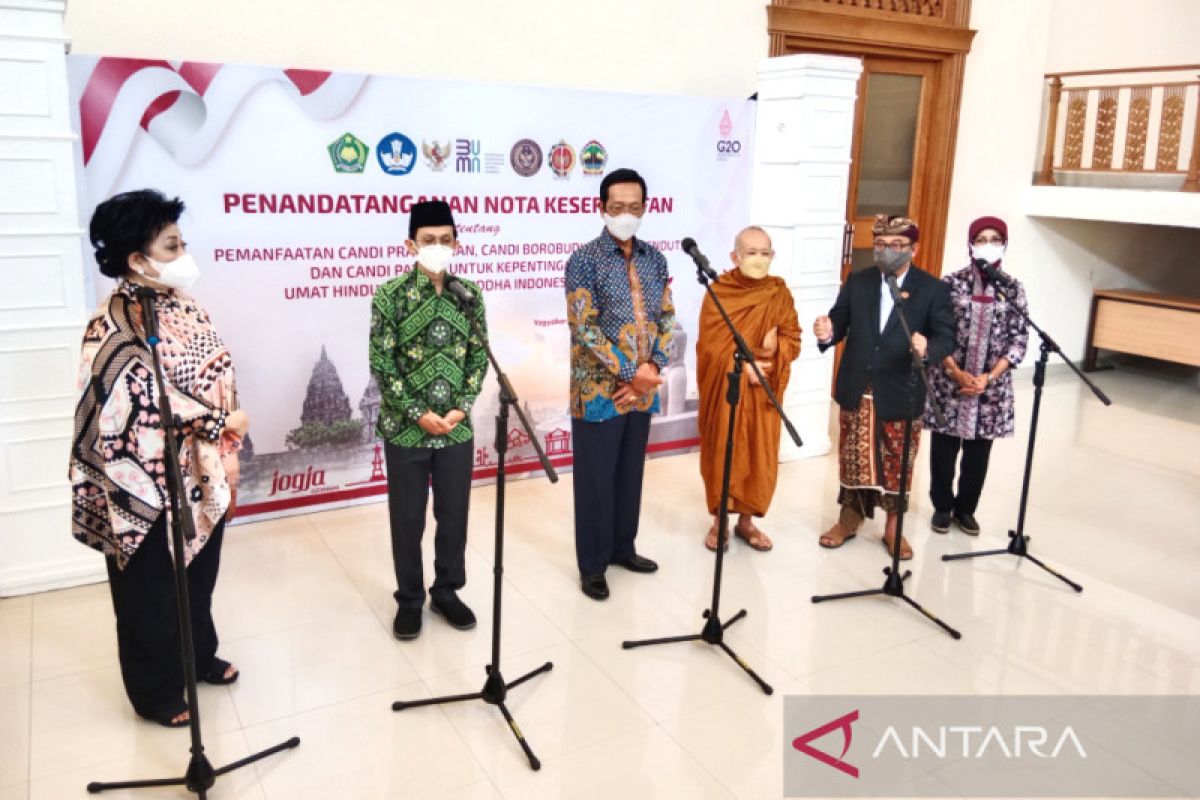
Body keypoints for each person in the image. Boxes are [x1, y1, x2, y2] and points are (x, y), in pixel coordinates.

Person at [70, 189, 245, 727]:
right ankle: (156, 691)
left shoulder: (185, 303)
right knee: (148, 590)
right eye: (172, 245)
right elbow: (137, 403)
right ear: (136, 259)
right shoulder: (113, 324)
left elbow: (217, 372)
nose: (183, 253)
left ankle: (198, 656)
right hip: (138, 483)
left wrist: (226, 442)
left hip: (200, 470)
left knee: (198, 573)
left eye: (181, 241)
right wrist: (217, 424)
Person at [369, 200, 488, 639]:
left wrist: (460, 407)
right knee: (408, 517)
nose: (437, 247)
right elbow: (382, 362)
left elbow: (479, 357)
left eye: (445, 240)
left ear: (456, 243)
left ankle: (447, 592)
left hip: (457, 427)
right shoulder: (390, 295)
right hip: (405, 429)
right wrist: (418, 414)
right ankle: (410, 599)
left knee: (454, 513)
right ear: (410, 244)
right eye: (428, 241)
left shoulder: (469, 294)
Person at [813, 215, 955, 560]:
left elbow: (946, 337)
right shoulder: (858, 281)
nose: (886, 251)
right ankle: (850, 518)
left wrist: (928, 349)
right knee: (853, 457)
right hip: (858, 384)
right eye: (880, 245)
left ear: (914, 249)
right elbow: (840, 322)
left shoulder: (932, 288)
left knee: (898, 460)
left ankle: (894, 528)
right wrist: (827, 331)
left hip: (901, 387)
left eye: (896, 246)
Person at [565, 168, 674, 600]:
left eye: (634, 207)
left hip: (642, 390)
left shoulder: (656, 260)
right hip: (598, 392)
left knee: (630, 474)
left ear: (645, 209)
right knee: (595, 479)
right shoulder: (583, 260)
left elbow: (667, 317)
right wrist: (633, 373)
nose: (625, 214)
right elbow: (584, 328)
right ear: (601, 208)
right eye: (616, 207)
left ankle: (622, 548)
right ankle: (592, 564)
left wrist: (653, 369)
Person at [696, 226, 802, 553]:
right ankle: (719, 522)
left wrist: (776, 346)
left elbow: (793, 339)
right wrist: (744, 369)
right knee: (724, 450)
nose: (758, 259)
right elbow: (711, 349)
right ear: (734, 257)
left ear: (773, 256)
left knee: (759, 454)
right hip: (730, 389)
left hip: (764, 391)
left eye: (764, 252)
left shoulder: (778, 293)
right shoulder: (719, 292)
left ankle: (746, 522)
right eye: (751, 252)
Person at [925, 216, 1029, 535]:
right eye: (981, 238)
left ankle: (966, 509)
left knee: (979, 451)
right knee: (944, 447)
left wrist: (988, 377)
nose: (987, 244)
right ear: (970, 244)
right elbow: (935, 330)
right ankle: (942, 507)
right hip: (950, 381)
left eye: (994, 238)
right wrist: (956, 373)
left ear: (1005, 243)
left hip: (990, 387)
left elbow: (1019, 337)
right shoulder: (951, 283)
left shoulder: (1013, 288)